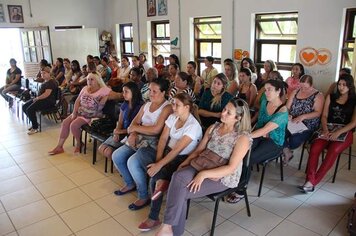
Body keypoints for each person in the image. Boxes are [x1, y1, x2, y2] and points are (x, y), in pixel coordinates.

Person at [156, 98, 251, 236]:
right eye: (224, 109)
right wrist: (186, 162)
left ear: (238, 118)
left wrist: (203, 174)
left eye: (228, 113)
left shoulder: (242, 138)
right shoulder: (214, 127)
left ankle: (169, 229)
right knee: (178, 176)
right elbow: (199, 151)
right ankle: (168, 229)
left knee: (179, 191)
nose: (223, 113)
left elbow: (231, 168)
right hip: (203, 163)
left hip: (222, 175)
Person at [131, 93, 202, 231]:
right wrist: (158, 162)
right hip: (166, 154)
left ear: (187, 107)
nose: (173, 107)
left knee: (155, 180)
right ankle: (165, 179)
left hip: (181, 160)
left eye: (177, 105)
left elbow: (176, 151)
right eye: (173, 103)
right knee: (142, 153)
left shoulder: (193, 125)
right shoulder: (173, 117)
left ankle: (153, 218)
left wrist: (159, 166)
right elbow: (163, 139)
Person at [111, 78, 172, 210]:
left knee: (132, 162)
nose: (151, 93)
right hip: (138, 138)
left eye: (154, 91)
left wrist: (136, 130)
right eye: (150, 90)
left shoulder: (167, 108)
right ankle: (130, 182)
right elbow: (133, 123)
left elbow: (157, 129)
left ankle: (143, 195)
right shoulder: (146, 105)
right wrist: (133, 133)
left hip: (153, 143)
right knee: (117, 155)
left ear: (163, 92)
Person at [299, 74, 356, 193]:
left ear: (350, 86)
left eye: (344, 85)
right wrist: (325, 129)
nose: (341, 87)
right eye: (339, 84)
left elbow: (354, 122)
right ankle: (310, 179)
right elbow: (324, 115)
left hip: (345, 131)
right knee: (315, 148)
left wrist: (338, 132)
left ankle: (313, 181)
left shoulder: (354, 100)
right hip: (328, 128)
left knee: (333, 150)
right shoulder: (331, 96)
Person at [48, 72, 111, 155]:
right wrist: (74, 112)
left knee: (73, 125)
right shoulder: (85, 88)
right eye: (88, 79)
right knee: (65, 123)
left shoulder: (104, 90)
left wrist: (106, 98)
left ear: (98, 80)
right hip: (80, 111)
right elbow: (77, 100)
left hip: (90, 115)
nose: (89, 81)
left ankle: (79, 143)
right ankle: (59, 147)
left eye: (92, 79)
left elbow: (117, 95)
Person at [283, 75, 324, 165]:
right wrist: (288, 114)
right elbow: (287, 107)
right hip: (292, 122)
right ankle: (287, 152)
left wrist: (302, 117)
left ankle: (287, 150)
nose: (303, 89)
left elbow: (318, 113)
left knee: (295, 140)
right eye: (301, 86)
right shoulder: (295, 92)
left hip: (308, 124)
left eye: (305, 87)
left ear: (312, 85)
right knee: (278, 132)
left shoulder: (318, 95)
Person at [98, 81, 143, 160]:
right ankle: (118, 162)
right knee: (101, 148)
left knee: (109, 151)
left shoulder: (140, 107)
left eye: (126, 92)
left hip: (132, 134)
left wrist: (120, 132)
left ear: (133, 92)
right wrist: (117, 132)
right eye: (123, 92)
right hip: (122, 132)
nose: (123, 94)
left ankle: (119, 164)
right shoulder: (124, 105)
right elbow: (120, 121)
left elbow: (137, 128)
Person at [250, 79, 288, 165]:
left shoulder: (283, 112)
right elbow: (260, 121)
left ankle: (242, 177)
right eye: (265, 90)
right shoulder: (264, 102)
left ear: (278, 91)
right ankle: (239, 175)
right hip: (260, 134)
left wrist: (246, 135)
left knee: (251, 156)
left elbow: (265, 130)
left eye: (269, 89)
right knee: (243, 150)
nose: (266, 93)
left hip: (274, 141)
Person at [23, 66, 58, 135]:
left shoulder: (51, 82)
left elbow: (46, 94)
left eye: (44, 73)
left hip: (48, 101)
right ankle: (35, 123)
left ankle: (35, 127)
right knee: (24, 106)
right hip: (42, 99)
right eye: (41, 73)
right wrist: (37, 98)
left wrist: (37, 98)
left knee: (30, 109)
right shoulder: (46, 81)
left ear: (49, 73)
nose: (42, 75)